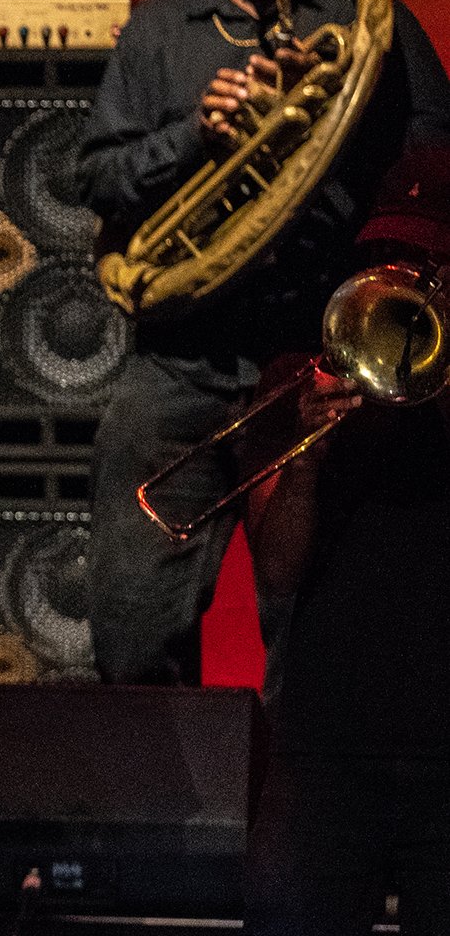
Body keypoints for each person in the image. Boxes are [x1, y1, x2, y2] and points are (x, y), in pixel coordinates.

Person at [74, 0, 450, 685]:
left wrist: (331, 141)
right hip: (181, 356)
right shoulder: (163, 29)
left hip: (314, 352)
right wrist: (196, 135)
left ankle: (301, 802)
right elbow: (96, 177)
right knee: (133, 617)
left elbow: (433, 149)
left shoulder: (364, 20)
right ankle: (156, 805)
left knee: (315, 618)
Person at [241, 146, 450, 936]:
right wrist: (305, 459)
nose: (406, 278)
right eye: (387, 256)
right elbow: (279, 570)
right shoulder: (304, 381)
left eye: (430, 261)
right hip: (325, 750)